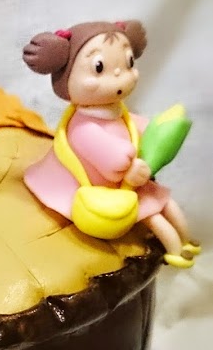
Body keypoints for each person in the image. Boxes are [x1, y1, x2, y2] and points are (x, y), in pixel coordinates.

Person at [23, 20, 199, 268]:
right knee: (154, 218)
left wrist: (156, 133)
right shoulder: (83, 128)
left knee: (168, 204)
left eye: (128, 63)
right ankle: (176, 250)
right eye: (99, 68)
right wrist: (130, 164)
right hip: (110, 188)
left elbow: (137, 128)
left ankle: (188, 241)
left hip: (134, 182)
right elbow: (114, 163)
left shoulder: (119, 113)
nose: (119, 77)